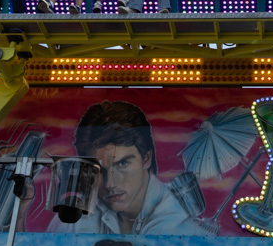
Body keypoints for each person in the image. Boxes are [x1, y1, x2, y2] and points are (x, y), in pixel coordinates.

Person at [48, 100, 200, 235]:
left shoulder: (181, 219)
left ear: (146, 159)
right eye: (98, 170)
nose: (110, 184)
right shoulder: (75, 216)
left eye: (122, 164)